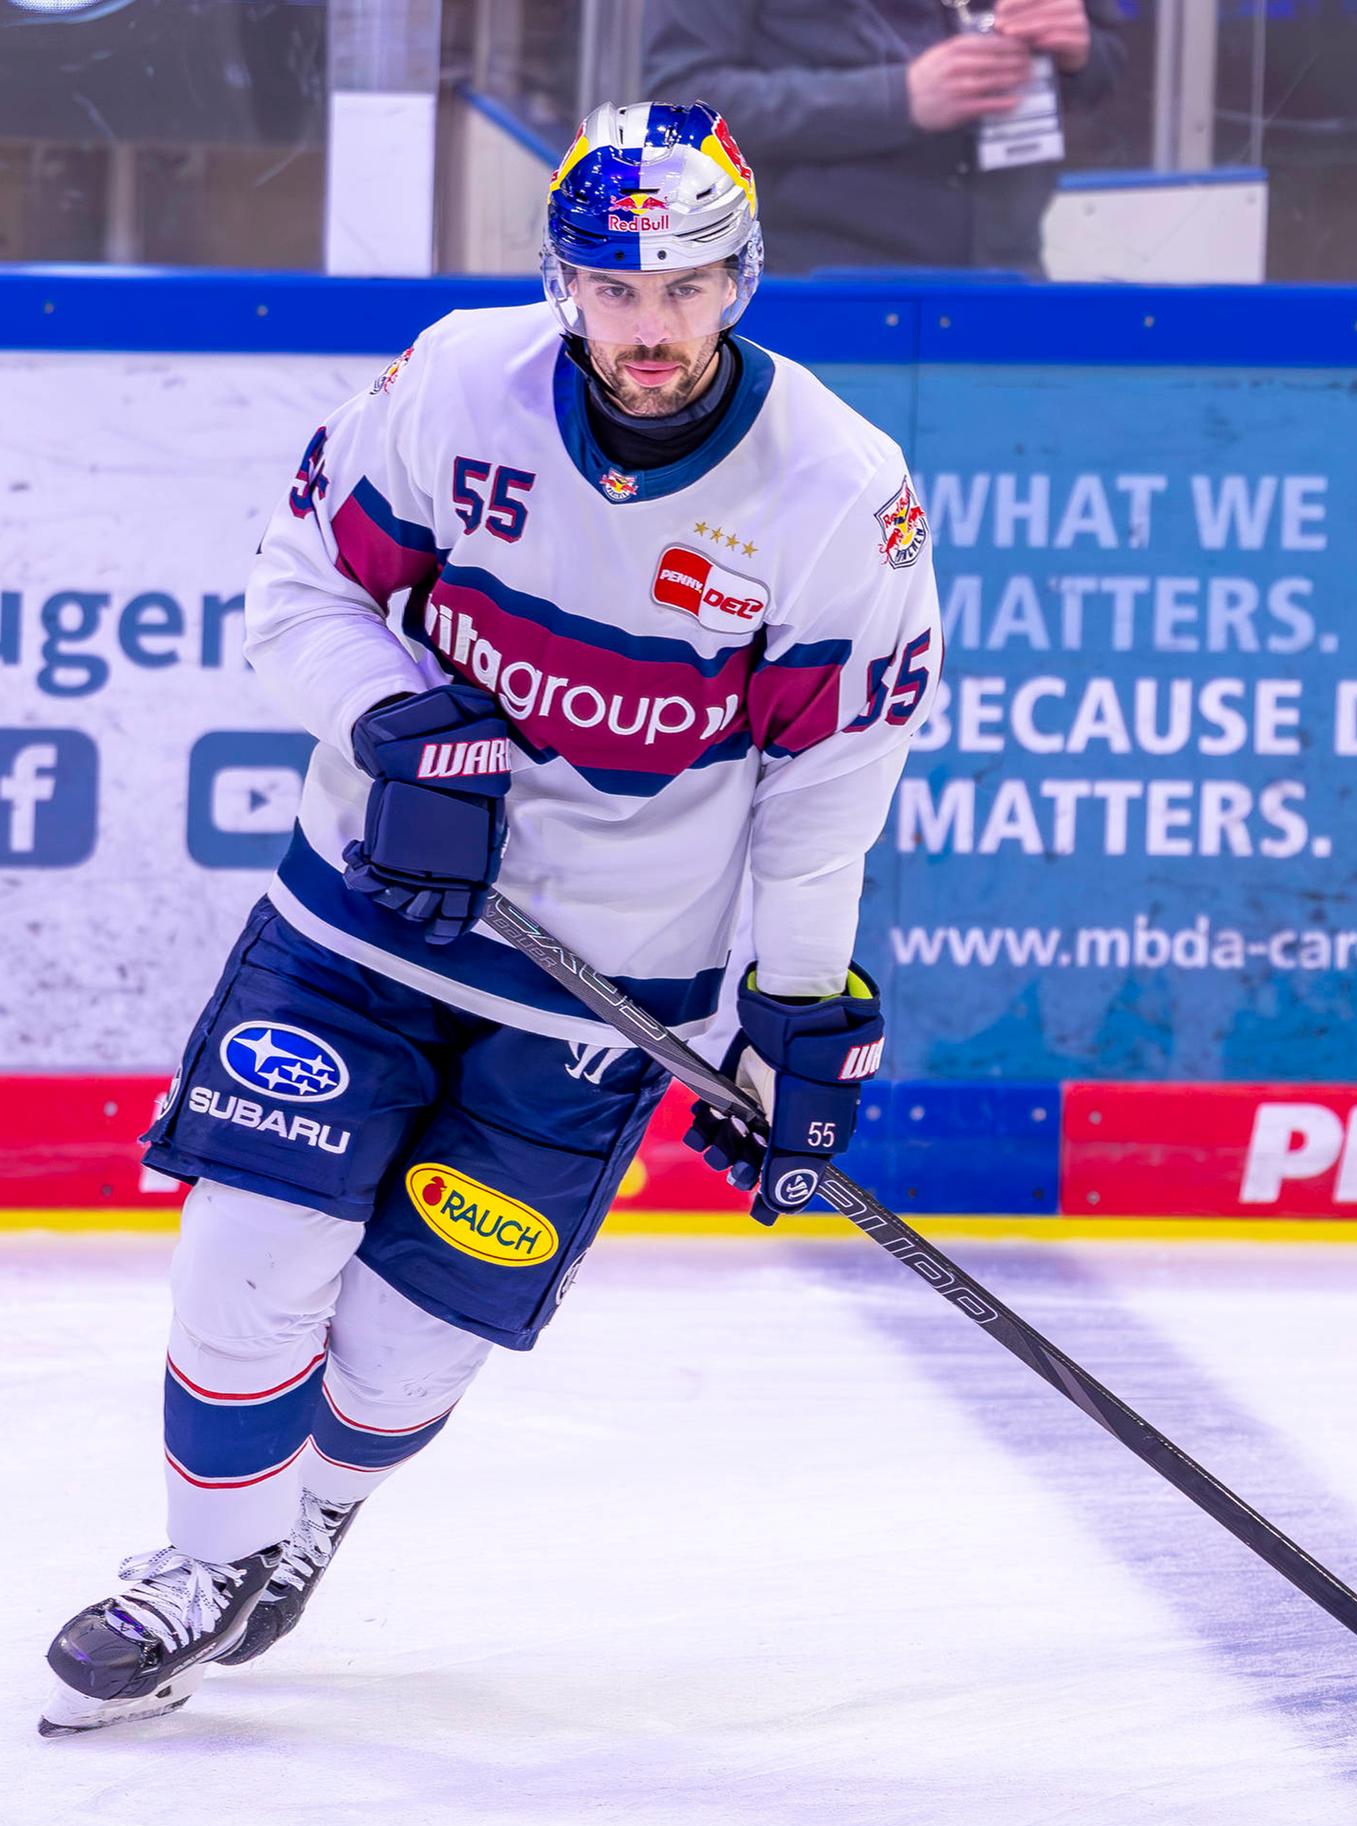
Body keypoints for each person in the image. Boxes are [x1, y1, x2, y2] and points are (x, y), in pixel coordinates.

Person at [39, 99, 942, 1737]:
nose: (647, 326)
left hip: (598, 991)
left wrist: (793, 1007)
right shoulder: (458, 380)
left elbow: (827, 781)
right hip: (361, 919)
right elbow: (296, 582)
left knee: (402, 1352)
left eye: (682, 286)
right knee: (250, 1249)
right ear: (564, 282)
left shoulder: (838, 492)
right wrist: (395, 721)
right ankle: (194, 1567)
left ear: (741, 281)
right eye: (614, 286)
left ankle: (307, 1520)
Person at [642, 0, 1127, 275]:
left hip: (1004, 274)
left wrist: (1080, 50)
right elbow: (683, 107)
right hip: (815, 286)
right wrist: (898, 99)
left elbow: (1105, 59)